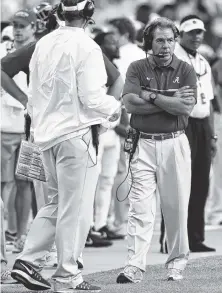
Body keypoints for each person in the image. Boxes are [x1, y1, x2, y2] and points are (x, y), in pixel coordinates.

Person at [10, 0, 120, 292]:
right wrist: (116, 108)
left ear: (58, 14)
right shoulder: (87, 47)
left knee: (55, 203)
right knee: (74, 208)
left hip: (46, 136)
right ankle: (67, 275)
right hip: (76, 135)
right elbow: (93, 98)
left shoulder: (43, 44)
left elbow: (32, 94)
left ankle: (28, 261)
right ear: (88, 17)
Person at [116, 17, 197, 284]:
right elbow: (130, 104)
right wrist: (167, 100)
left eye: (170, 40)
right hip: (143, 143)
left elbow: (185, 108)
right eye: (160, 40)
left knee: (175, 208)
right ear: (149, 42)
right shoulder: (137, 67)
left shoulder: (185, 69)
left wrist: (149, 94)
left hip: (175, 142)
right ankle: (133, 266)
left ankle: (176, 263)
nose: (165, 46)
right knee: (140, 208)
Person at [168, 15, 216, 252]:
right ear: (181, 34)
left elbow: (209, 102)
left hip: (202, 124)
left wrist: (213, 134)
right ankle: (172, 238)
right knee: (178, 182)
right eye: (192, 33)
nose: (197, 37)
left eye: (200, 33)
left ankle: (195, 237)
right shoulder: (173, 57)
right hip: (182, 122)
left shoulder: (203, 62)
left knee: (200, 182)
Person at [1, 9, 37, 253]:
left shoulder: (39, 51)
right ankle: (9, 233)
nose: (18, 29)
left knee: (25, 182)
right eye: (15, 25)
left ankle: (21, 234)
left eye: (23, 25)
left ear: (33, 27)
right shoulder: (4, 51)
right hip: (4, 127)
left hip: (30, 129)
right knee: (6, 184)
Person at [207, 58, 222, 225]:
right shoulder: (220, 64)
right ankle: (216, 212)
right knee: (219, 167)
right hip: (220, 118)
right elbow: (215, 94)